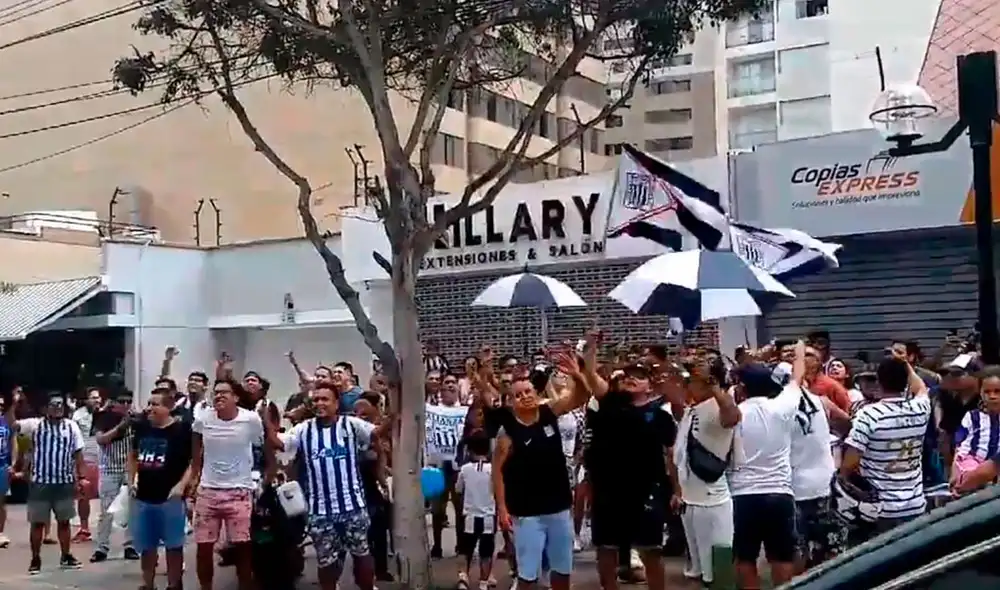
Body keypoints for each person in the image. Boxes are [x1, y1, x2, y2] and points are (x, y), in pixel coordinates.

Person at [269, 381, 392, 590]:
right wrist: (266, 423)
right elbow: (281, 444)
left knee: (362, 555)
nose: (319, 403)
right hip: (320, 512)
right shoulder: (303, 430)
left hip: (353, 507)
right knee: (326, 563)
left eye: (325, 399)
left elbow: (376, 433)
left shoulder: (351, 425)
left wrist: (394, 412)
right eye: (316, 399)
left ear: (336, 403)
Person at [491, 350, 595, 590]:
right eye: (518, 395)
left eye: (528, 392)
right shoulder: (507, 433)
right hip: (526, 512)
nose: (525, 397)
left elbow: (582, 396)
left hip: (559, 507)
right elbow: (497, 473)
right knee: (528, 574)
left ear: (536, 394)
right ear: (511, 402)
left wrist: (577, 375)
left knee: (562, 569)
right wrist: (502, 509)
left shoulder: (549, 413)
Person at [588, 358, 677, 590]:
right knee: (606, 550)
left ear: (650, 386)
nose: (632, 379)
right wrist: (590, 350)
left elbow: (671, 454)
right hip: (609, 491)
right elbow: (591, 376)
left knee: (651, 552)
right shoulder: (610, 405)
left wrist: (676, 490)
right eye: (628, 376)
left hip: (646, 491)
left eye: (640, 376)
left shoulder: (660, 416)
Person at [729, 341, 806, 589]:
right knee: (782, 556)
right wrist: (800, 351)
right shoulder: (782, 407)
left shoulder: (734, 415)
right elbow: (798, 377)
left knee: (745, 556)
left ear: (742, 388)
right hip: (779, 493)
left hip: (743, 494)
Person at [841, 353, 930, 541]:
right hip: (915, 504)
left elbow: (850, 465)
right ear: (905, 382)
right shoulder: (921, 409)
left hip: (881, 510)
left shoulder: (869, 415)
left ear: (879, 381)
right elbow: (921, 387)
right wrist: (905, 364)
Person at [191, 378, 268, 590]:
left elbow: (262, 445)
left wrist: (267, 473)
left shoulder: (250, 419)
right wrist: (194, 476)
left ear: (236, 397)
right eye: (216, 392)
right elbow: (196, 448)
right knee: (204, 547)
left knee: (242, 547)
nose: (219, 396)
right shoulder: (203, 418)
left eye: (224, 392)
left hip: (239, 491)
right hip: (208, 491)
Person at [673, 353, 741, 588]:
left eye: (693, 380)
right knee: (697, 572)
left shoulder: (720, 404)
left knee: (719, 571)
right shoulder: (691, 409)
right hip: (690, 501)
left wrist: (713, 385)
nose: (688, 384)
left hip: (712, 503)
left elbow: (732, 417)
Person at [10, 390, 87, 574]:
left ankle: (66, 555)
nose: (57, 408)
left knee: (64, 522)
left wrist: (82, 478)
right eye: (53, 404)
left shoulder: (71, 427)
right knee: (37, 523)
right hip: (40, 482)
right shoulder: (35, 425)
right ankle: (35, 558)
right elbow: (13, 425)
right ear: (45, 408)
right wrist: (12, 404)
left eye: (60, 404)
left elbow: (78, 454)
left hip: (64, 482)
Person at [129, 386, 193, 590]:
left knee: (174, 545)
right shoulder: (142, 428)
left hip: (170, 498)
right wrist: (132, 480)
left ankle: (174, 584)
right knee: (147, 546)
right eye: (149, 404)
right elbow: (133, 455)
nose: (149, 408)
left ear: (168, 407)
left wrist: (182, 485)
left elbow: (193, 462)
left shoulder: (182, 431)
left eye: (155, 404)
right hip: (144, 496)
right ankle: (148, 583)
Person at [90, 389, 139, 562]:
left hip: (130, 469)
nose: (125, 405)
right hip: (109, 469)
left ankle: (130, 545)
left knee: (132, 509)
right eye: (121, 402)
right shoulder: (103, 418)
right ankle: (102, 547)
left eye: (128, 402)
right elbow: (100, 439)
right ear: (113, 403)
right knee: (107, 510)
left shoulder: (136, 419)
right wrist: (120, 427)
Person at [428, 372, 468, 558]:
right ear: (441, 388)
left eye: (454, 383)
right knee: (437, 510)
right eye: (447, 382)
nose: (451, 385)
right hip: (435, 467)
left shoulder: (466, 411)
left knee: (460, 509)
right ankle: (436, 546)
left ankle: (461, 545)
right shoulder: (431, 410)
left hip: (459, 467)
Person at [456, 432, 497, 590]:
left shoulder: (465, 469)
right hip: (488, 517)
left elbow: (458, 489)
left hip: (470, 515)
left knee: (465, 550)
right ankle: (483, 582)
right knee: (486, 553)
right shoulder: (493, 470)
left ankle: (463, 578)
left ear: (470, 450)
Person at [70, 387, 102, 543]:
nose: (97, 400)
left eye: (98, 397)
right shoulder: (78, 416)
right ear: (86, 400)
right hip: (85, 460)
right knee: (83, 496)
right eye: (93, 397)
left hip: (104, 460)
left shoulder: (105, 414)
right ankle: (84, 528)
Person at [0, 395, 11, 548]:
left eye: (2, 405)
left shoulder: (5, 422)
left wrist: (13, 463)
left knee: (1, 502)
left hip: (2, 465)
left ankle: (0, 533)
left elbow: (12, 441)